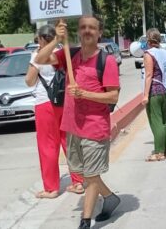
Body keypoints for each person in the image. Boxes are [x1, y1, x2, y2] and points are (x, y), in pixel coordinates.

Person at [35, 16, 121, 229]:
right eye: (83, 27)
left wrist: (84, 94)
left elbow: (113, 97)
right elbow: (41, 60)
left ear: (99, 32)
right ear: (79, 32)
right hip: (72, 126)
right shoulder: (70, 55)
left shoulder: (106, 61)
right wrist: (57, 39)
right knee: (82, 174)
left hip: (94, 126)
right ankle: (110, 198)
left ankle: (85, 220)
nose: (87, 31)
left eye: (92, 28)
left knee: (91, 175)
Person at [25, 25, 84, 198]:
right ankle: (78, 181)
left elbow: (29, 81)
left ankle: (51, 188)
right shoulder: (63, 51)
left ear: (42, 39)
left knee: (48, 145)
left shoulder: (38, 55)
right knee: (69, 142)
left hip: (45, 103)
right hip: (65, 102)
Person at [141, 28, 166, 161]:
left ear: (148, 40)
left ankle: (159, 152)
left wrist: (145, 95)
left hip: (154, 91)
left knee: (156, 122)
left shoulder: (149, 54)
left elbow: (148, 75)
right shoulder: (165, 52)